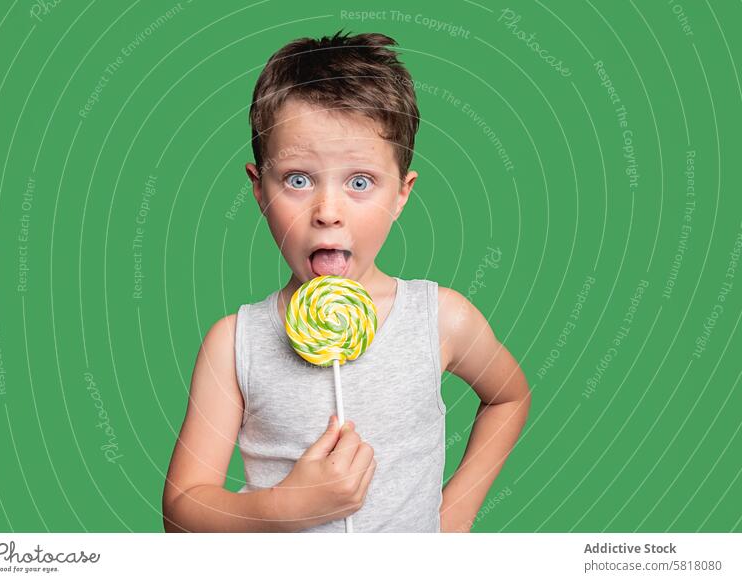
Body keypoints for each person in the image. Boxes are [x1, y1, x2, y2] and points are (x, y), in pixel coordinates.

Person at [162, 30, 530, 533]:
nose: (327, 212)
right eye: (297, 179)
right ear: (258, 189)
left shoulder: (441, 318)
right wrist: (283, 508)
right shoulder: (234, 344)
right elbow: (182, 512)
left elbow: (509, 397)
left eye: (360, 182)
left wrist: (455, 513)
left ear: (402, 194)